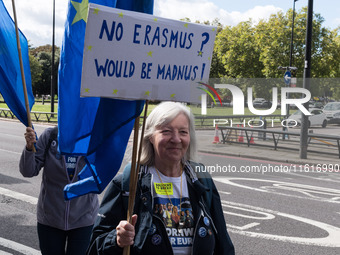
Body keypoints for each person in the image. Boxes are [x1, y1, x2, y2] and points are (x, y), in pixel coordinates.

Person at [87, 102, 235, 255]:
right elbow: (94, 246)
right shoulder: (128, 183)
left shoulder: (201, 179)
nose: (176, 139)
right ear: (151, 136)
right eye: (166, 131)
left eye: (183, 132)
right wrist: (116, 240)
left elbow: (223, 241)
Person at [19, 126, 99, 255]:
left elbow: (102, 173)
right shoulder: (50, 135)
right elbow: (28, 171)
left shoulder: (95, 137)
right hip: (50, 220)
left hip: (83, 219)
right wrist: (29, 148)